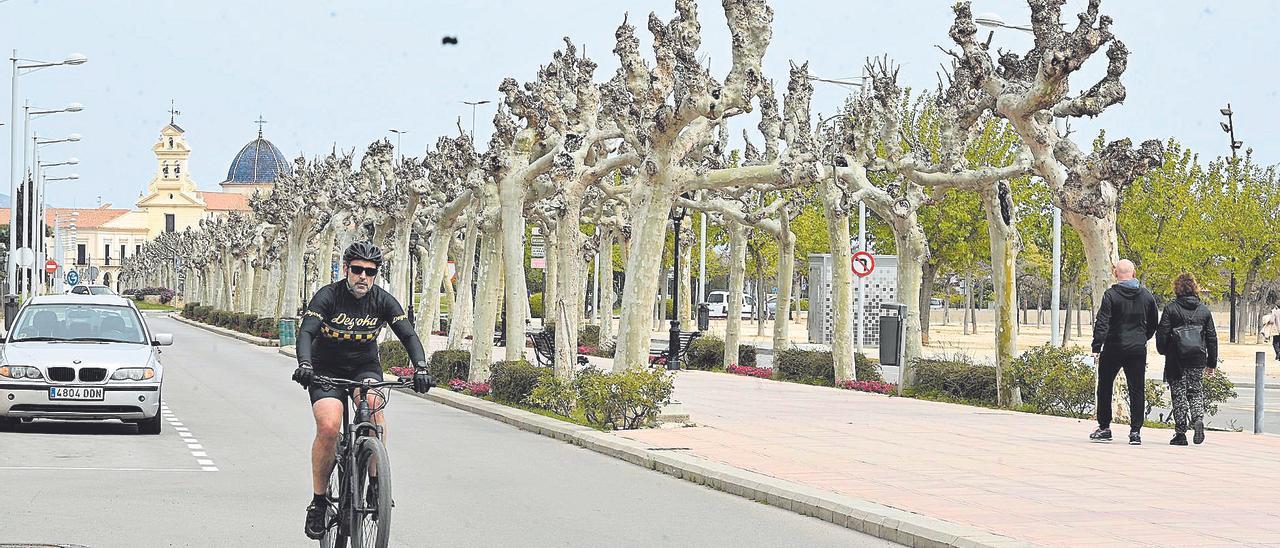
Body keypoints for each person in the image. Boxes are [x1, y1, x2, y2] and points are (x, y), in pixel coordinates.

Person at [291, 241, 434, 540]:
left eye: (370, 272)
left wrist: (421, 367)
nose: (363, 277)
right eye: (357, 270)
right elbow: (306, 332)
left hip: (364, 368)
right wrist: (304, 364)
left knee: (373, 413)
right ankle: (318, 502)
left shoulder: (383, 300)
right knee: (329, 426)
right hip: (325, 369)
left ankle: (375, 485)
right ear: (346, 269)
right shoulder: (328, 296)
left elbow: (407, 334)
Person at [1089, 259, 1158, 445]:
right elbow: (1153, 323)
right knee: (1137, 389)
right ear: (1134, 273)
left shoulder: (1110, 295)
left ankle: (1104, 427)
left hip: (1113, 346)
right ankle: (1135, 431)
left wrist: (1097, 346)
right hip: (1137, 348)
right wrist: (1143, 338)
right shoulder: (1146, 296)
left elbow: (1102, 322)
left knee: (1104, 387)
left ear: (1115, 274)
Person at [1155, 273, 1218, 446]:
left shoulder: (1171, 308)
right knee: (1196, 391)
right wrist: (1211, 362)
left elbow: (1162, 334)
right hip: (1197, 357)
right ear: (1194, 288)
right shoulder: (1204, 310)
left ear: (1177, 288)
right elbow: (1212, 338)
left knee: (1178, 394)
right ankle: (1197, 418)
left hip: (1176, 357)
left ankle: (1180, 433)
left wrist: (1163, 350)